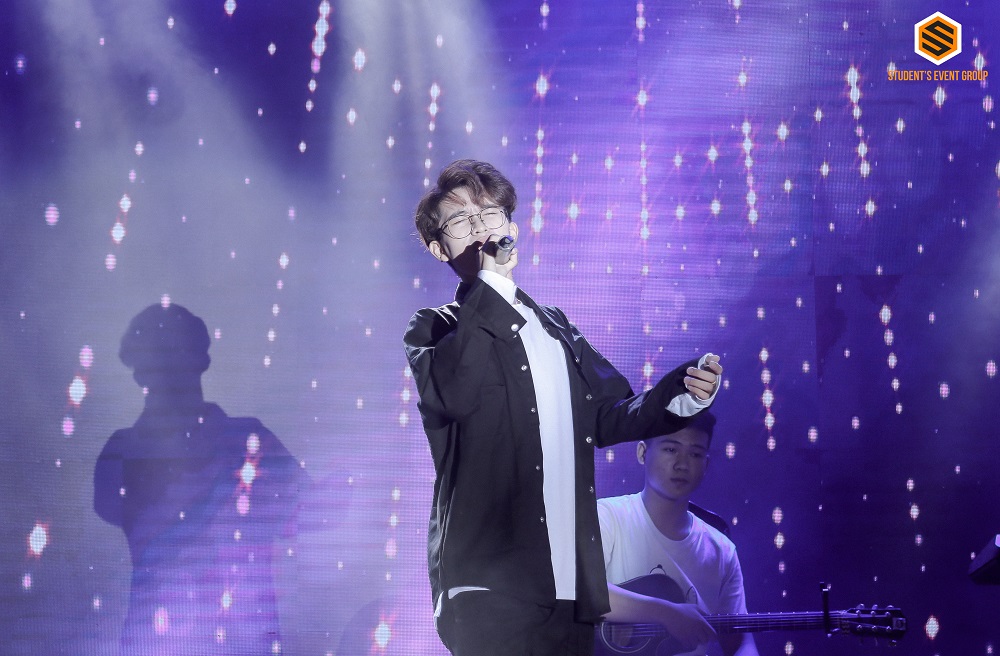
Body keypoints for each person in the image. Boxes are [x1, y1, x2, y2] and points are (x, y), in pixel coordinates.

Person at [403, 159, 723, 656]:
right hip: (488, 583)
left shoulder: (554, 327)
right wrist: (492, 287)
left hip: (570, 586)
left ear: (512, 229)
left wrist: (681, 394)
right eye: (461, 221)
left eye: (489, 214)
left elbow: (609, 415)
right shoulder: (435, 328)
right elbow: (456, 392)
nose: (480, 228)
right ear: (438, 248)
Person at [94, 302, 303, 655]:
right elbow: (310, 515)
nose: (167, 372)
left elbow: (309, 515)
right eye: (157, 359)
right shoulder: (123, 451)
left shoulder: (248, 439)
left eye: (175, 355)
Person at [597, 412, 759, 656]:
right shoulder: (607, 517)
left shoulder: (722, 550)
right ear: (642, 453)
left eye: (695, 454)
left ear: (706, 464)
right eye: (671, 450)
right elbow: (578, 590)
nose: (682, 464)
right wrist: (666, 613)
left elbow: (740, 642)